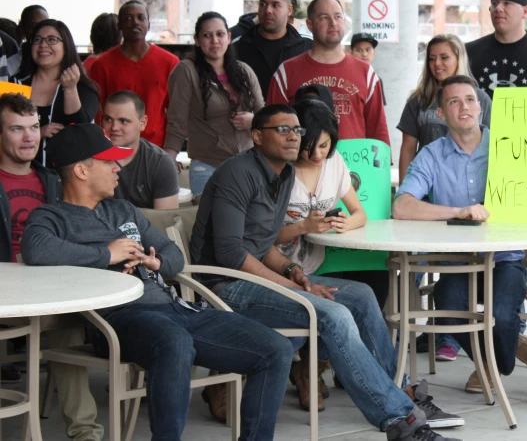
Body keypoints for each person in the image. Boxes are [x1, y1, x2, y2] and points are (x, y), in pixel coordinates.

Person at [189, 104, 463, 440]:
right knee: (334, 315)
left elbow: (262, 246)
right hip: (224, 285)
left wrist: (293, 271)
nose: (293, 137)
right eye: (283, 130)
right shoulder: (237, 173)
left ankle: (400, 391)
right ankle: (400, 423)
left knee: (361, 296)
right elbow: (232, 254)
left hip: (254, 276)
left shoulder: (282, 174)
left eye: (296, 130)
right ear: (257, 136)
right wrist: (299, 290)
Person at [22, 123, 293, 441]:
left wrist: (158, 263)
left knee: (276, 349)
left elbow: (172, 255)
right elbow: (37, 248)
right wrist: (105, 255)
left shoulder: (124, 210)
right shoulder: (52, 218)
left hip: (174, 308)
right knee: (174, 342)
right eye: (108, 161)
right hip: (119, 319)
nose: (117, 167)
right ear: (81, 170)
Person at [392, 75, 527, 394]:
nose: (464, 107)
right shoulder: (431, 154)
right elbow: (402, 206)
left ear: (481, 108)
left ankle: (498, 360)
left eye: (470, 100)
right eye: (454, 101)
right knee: (447, 305)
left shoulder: (510, 149)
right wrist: (458, 212)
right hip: (457, 261)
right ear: (441, 114)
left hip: (504, 259)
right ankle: (491, 365)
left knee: (501, 316)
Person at [0, 94, 104, 441]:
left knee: (70, 327)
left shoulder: (55, 182)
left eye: (33, 128)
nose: (29, 137)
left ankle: (84, 433)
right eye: (17, 129)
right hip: (5, 292)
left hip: (53, 286)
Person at [273, 99, 368, 408]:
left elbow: (359, 213)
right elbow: (257, 239)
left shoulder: (334, 162)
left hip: (313, 266)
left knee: (363, 297)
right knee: (333, 310)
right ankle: (307, 372)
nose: (316, 155)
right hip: (275, 271)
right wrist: (302, 226)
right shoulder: (277, 165)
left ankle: (390, 381)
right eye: (308, 147)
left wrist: (345, 222)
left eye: (324, 146)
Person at [165, 11, 264, 203]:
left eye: (219, 34)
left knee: (247, 227)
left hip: (248, 164)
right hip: (208, 166)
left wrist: (254, 121)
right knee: (213, 227)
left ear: (229, 37)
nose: (214, 41)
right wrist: (169, 157)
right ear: (197, 40)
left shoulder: (244, 71)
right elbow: (177, 120)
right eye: (207, 35)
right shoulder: (186, 71)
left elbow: (265, 115)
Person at [266, 0, 390, 146]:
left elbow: (378, 129)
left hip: (353, 167)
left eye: (338, 16)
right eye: (324, 17)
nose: (333, 23)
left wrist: (382, 167)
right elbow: (271, 129)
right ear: (309, 24)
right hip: (301, 166)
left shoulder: (366, 73)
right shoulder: (286, 73)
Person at [398, 34, 492, 186]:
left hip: (473, 183)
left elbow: (494, 145)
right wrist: (404, 191)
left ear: (458, 59)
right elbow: (408, 149)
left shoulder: (480, 98)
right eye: (432, 58)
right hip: (428, 184)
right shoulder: (418, 100)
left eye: (444, 57)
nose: (437, 63)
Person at [89, 0, 179, 147]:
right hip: (115, 148)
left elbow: (175, 113)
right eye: (128, 18)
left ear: (149, 25)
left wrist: (171, 150)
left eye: (141, 18)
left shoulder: (169, 62)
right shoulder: (101, 65)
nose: (135, 22)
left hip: (157, 148)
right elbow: (98, 114)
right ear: (119, 26)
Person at [20, 19, 99, 167]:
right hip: (20, 175)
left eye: (52, 39)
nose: (43, 45)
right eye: (37, 40)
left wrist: (70, 88)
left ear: (66, 46)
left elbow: (80, 131)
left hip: (66, 179)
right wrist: (37, 132)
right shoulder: (16, 84)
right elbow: (4, 131)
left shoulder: (83, 88)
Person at [233, 0, 312, 98]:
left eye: (275, 5)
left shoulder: (306, 48)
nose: (268, 10)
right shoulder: (238, 48)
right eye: (263, 4)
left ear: (289, 9)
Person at [102, 90, 179, 209]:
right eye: (108, 119)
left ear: (143, 123)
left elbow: (166, 220)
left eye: (124, 121)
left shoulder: (160, 162)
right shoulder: (90, 159)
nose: (114, 127)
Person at [14, 5, 48, 81]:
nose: (41, 30)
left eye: (45, 25)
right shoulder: (10, 67)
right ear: (22, 29)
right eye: (34, 26)